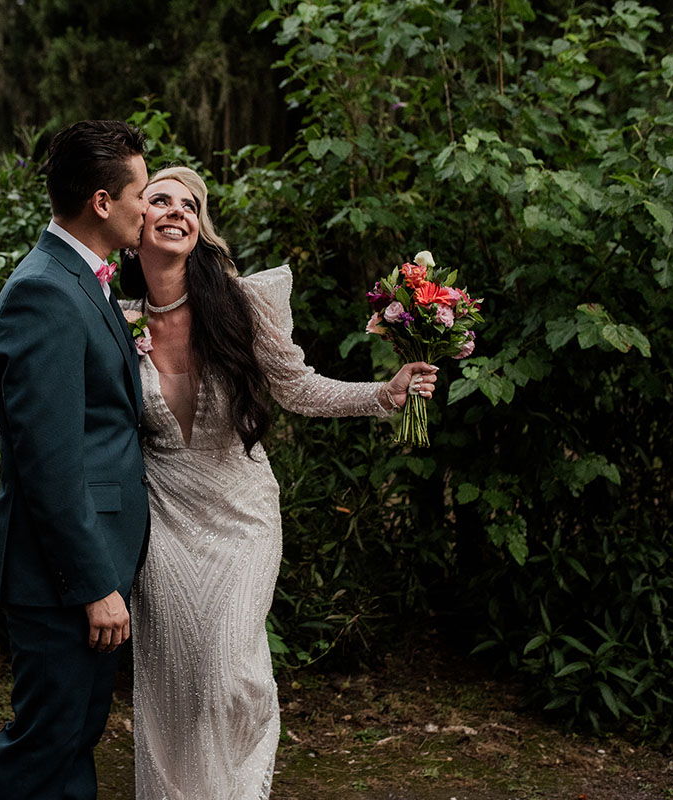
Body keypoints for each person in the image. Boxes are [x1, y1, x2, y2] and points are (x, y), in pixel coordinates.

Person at [119, 166, 438, 799]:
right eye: (160, 199)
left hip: (241, 511)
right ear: (134, 224)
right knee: (176, 672)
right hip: (164, 513)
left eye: (191, 204)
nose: (178, 210)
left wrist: (383, 393)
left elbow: (297, 387)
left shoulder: (239, 304)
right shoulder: (112, 315)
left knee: (229, 673)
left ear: (200, 226)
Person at [0, 120, 152, 800]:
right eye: (141, 192)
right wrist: (93, 586)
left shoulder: (85, 279)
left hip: (86, 569)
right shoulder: (44, 292)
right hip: (62, 582)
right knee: (45, 752)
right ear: (103, 203)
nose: (149, 205)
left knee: (72, 746)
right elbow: (49, 464)